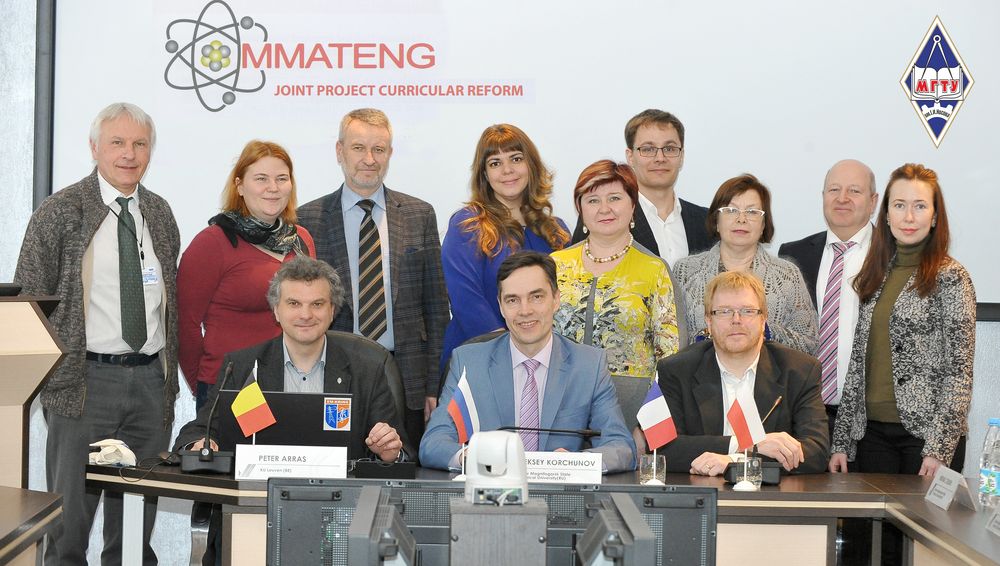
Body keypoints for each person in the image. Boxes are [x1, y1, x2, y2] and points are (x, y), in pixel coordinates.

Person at [14, 102, 179, 565]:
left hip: (150, 386)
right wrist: (50, 378)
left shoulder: (159, 213)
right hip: (83, 384)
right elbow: (29, 299)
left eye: (140, 144)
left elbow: (169, 301)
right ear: (94, 148)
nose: (129, 154)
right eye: (117, 142)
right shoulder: (60, 211)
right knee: (68, 533)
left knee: (133, 538)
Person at [298, 108, 450, 448]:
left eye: (379, 149)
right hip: (333, 371)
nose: (369, 159)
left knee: (406, 469)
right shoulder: (307, 219)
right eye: (358, 148)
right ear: (339, 151)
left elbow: (437, 309)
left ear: (390, 154)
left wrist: (433, 386)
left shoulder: (419, 214)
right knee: (337, 466)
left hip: (406, 376)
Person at [175, 256, 411, 460]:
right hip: (260, 494)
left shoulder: (367, 371)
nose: (305, 315)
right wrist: (201, 444)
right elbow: (198, 432)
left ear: (332, 311)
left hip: (340, 496)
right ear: (276, 310)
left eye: (317, 304)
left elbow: (401, 451)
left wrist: (390, 453)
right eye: (294, 304)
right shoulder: (242, 367)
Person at [421, 251, 636, 473]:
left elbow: (621, 447)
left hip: (560, 492)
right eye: (512, 300)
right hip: (491, 489)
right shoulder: (468, 362)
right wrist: (473, 457)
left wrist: (575, 463)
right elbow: (433, 443)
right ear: (501, 306)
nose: (525, 311)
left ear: (556, 299)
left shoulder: (589, 365)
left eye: (536, 297)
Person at [830, 163, 975, 477]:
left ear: (934, 217)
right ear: (885, 214)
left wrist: (939, 449)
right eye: (899, 205)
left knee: (921, 513)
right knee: (865, 514)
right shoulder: (875, 272)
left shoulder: (952, 277)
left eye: (919, 206)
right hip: (870, 436)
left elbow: (959, 373)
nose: (908, 217)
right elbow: (858, 363)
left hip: (925, 439)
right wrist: (840, 441)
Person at [178, 140, 316, 410]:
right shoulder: (213, 243)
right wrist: (206, 387)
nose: (273, 187)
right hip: (235, 387)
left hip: (294, 384)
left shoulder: (302, 240)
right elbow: (185, 324)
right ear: (240, 186)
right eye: (261, 179)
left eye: (281, 178)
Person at [656, 271, 829, 475]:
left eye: (747, 311)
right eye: (724, 311)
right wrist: (745, 445)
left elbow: (816, 452)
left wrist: (733, 461)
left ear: (763, 319)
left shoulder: (800, 371)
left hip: (769, 492)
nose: (736, 320)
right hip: (703, 490)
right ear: (708, 322)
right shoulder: (676, 370)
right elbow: (662, 449)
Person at [551, 160, 681, 426]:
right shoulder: (554, 265)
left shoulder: (654, 269)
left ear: (632, 205)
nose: (604, 208)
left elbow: (670, 358)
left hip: (631, 410)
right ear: (580, 209)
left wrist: (648, 426)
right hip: (557, 403)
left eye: (614, 198)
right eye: (593, 200)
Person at [440, 124, 569, 372]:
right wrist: (510, 356)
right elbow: (466, 300)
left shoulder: (556, 231)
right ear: (485, 174)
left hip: (546, 363)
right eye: (495, 163)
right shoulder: (468, 225)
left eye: (516, 159)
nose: (507, 170)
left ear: (531, 165)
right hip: (482, 360)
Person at [779, 159, 878, 438]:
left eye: (854, 191)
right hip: (806, 414)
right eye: (834, 189)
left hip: (872, 420)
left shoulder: (893, 255)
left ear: (873, 202)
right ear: (823, 196)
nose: (842, 198)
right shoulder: (794, 254)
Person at [672, 174, 817, 353]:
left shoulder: (787, 275)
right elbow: (672, 338)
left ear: (763, 225)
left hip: (768, 371)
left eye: (752, 212)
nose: (741, 219)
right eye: (731, 210)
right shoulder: (686, 271)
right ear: (716, 221)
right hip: (701, 370)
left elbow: (809, 344)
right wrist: (708, 336)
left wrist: (765, 330)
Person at [571, 109, 714, 265]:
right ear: (630, 157)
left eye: (669, 149)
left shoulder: (707, 220)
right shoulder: (606, 218)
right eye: (648, 149)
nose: (660, 158)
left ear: (681, 156)